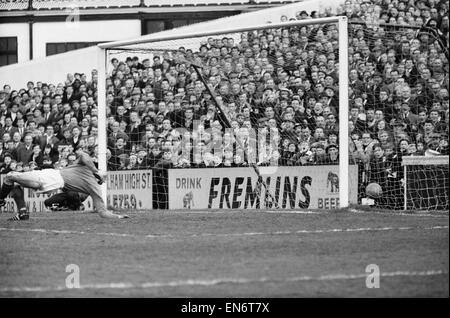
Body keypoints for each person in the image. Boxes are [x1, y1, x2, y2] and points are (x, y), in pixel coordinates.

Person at [0, 146, 128, 221]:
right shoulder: (85, 165)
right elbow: (83, 155)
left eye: (103, 176)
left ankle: (1, 200)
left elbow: (102, 211)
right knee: (14, 182)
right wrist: (96, 171)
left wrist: (118, 217)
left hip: (52, 179)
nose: (103, 176)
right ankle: (22, 213)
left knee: (10, 176)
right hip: (52, 178)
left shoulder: (94, 186)